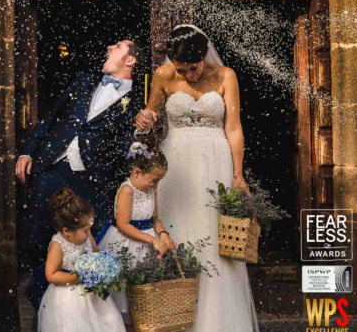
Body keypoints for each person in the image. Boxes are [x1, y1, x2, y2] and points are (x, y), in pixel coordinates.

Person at [135, 25, 258, 331]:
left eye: (194, 68)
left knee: (217, 241)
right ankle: (176, 313)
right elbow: (150, 115)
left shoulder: (226, 75)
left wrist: (237, 175)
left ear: (204, 56)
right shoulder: (163, 75)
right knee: (179, 231)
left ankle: (217, 321)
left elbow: (233, 127)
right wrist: (144, 118)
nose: (189, 75)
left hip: (216, 162)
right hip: (176, 165)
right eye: (182, 70)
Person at [16, 40, 144, 265]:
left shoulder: (135, 103)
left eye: (118, 46)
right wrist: (27, 152)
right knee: (36, 238)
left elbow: (126, 144)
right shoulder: (83, 81)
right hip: (51, 167)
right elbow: (51, 117)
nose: (109, 47)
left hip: (89, 178)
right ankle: (41, 295)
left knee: (85, 245)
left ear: (130, 60)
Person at [97, 136, 174, 328]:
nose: (155, 186)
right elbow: (123, 225)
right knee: (125, 296)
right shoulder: (127, 190)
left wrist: (163, 234)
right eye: (154, 180)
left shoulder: (151, 191)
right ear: (137, 172)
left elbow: (154, 219)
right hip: (127, 242)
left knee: (146, 297)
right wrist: (151, 240)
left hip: (148, 242)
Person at [37, 188, 124, 332]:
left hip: (92, 294)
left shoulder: (87, 238)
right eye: (85, 230)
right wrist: (80, 276)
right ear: (66, 231)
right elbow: (51, 274)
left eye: (90, 229)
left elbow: (96, 254)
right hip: (68, 297)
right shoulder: (58, 245)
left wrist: (102, 267)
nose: (89, 233)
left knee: (105, 321)